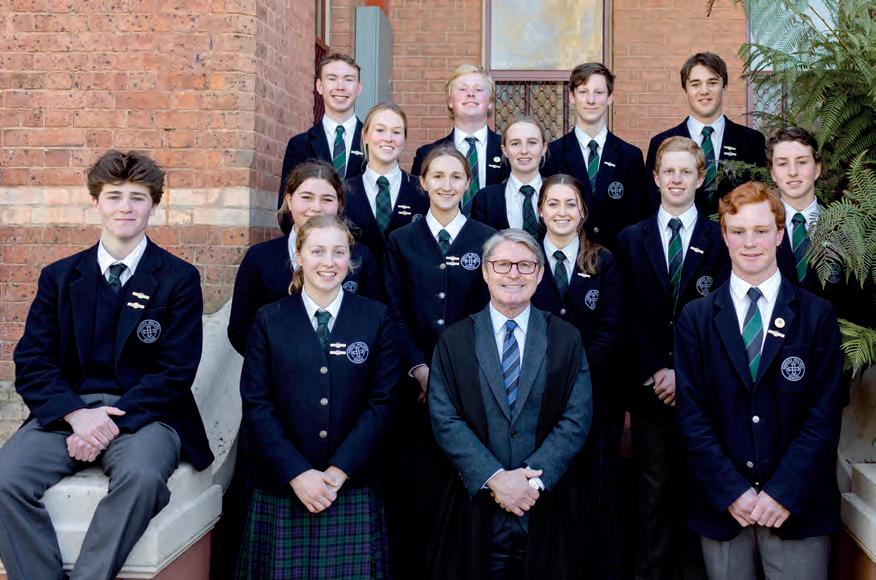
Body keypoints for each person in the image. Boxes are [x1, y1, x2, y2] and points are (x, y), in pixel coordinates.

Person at [0, 150, 213, 580]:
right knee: (4, 479)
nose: (125, 208)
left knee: (143, 477)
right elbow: (33, 361)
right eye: (114, 196)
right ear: (96, 201)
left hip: (146, 416)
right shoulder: (59, 277)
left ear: (154, 205)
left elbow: (175, 371)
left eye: (138, 197)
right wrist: (77, 415)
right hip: (67, 412)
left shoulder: (178, 279)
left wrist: (108, 423)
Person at [675, 182, 843, 580]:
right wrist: (732, 491)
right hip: (724, 510)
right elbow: (692, 416)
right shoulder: (696, 318)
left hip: (798, 510)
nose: (750, 242)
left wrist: (782, 492)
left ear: (780, 234)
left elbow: (825, 413)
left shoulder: (816, 315)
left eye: (761, 230)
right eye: (738, 231)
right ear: (724, 235)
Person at [236, 214, 399, 579]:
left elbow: (383, 402)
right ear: (299, 256)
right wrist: (297, 473)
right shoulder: (270, 319)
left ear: (350, 259)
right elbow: (257, 403)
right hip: (285, 484)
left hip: (351, 483)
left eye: (339, 252)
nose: (329, 262)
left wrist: (339, 471)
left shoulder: (376, 317)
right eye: (318, 251)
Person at [428, 228, 592, 580]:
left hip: (545, 506)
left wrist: (530, 483)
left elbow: (576, 417)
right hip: (475, 508)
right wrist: (496, 479)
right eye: (502, 264)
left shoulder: (565, 338)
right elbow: (444, 417)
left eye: (524, 265)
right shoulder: (454, 341)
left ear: (540, 273)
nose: (513, 274)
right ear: (485, 271)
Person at [616, 136, 730, 580]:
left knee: (699, 490)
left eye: (686, 171)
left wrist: (684, 372)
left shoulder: (720, 238)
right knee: (652, 495)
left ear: (701, 179)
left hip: (702, 390)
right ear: (656, 177)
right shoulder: (631, 239)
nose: (677, 179)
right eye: (669, 171)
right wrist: (657, 369)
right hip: (651, 392)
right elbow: (624, 312)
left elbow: (722, 314)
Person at [383, 145, 497, 578]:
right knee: (416, 489)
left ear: (468, 183)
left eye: (455, 177)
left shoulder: (487, 238)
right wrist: (420, 369)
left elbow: (490, 312)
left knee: (464, 488)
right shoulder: (401, 240)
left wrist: (454, 375)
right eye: (438, 176)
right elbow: (393, 312)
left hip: (471, 387)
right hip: (414, 388)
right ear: (423, 182)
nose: (447, 185)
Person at [531, 173, 623, 579]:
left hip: (594, 400)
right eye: (553, 203)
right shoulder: (525, 259)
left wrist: (576, 381)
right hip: (536, 402)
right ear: (540, 210)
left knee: (595, 494)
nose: (562, 212)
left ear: (583, 212)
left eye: (570, 204)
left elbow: (610, 331)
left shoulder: (603, 262)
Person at [228, 161, 383, 356]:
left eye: (327, 199)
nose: (316, 208)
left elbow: (375, 322)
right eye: (306, 197)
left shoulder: (361, 257)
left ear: (340, 204)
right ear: (289, 200)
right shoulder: (259, 258)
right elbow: (240, 327)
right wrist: (274, 360)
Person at [767, 126, 874, 326]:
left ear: (817, 169)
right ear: (772, 172)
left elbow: (861, 306)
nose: (793, 172)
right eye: (782, 164)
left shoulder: (847, 228)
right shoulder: (758, 228)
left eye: (802, 162)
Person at [543, 62, 650, 253]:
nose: (591, 100)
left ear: (610, 97)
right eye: (583, 92)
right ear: (572, 97)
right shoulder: (553, 154)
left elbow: (637, 216)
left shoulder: (630, 156)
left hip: (617, 258)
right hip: (568, 257)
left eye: (599, 92)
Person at [646, 52, 767, 214]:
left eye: (712, 83)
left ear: (724, 87)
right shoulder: (661, 142)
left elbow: (759, 198)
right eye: (695, 84)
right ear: (685, 89)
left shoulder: (752, 140)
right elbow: (651, 203)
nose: (704, 91)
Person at [277, 52, 365, 234]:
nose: (340, 87)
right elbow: (286, 211)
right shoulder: (300, 145)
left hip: (362, 245)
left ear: (358, 88)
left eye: (348, 80)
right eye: (332, 79)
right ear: (319, 86)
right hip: (312, 244)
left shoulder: (374, 142)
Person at [410, 64, 510, 212]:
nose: (470, 94)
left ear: (490, 102)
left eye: (478, 90)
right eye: (463, 89)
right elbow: (418, 206)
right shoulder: (427, 155)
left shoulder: (510, 151)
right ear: (450, 101)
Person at [345, 102, 429, 265]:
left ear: (404, 140)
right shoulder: (343, 191)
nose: (388, 138)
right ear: (365, 135)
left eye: (396, 132)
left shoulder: (422, 191)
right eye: (380, 130)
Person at [470, 115, 548, 239]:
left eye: (532, 143)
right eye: (515, 143)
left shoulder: (561, 195)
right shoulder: (485, 199)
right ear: (505, 150)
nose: (524, 150)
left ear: (544, 148)